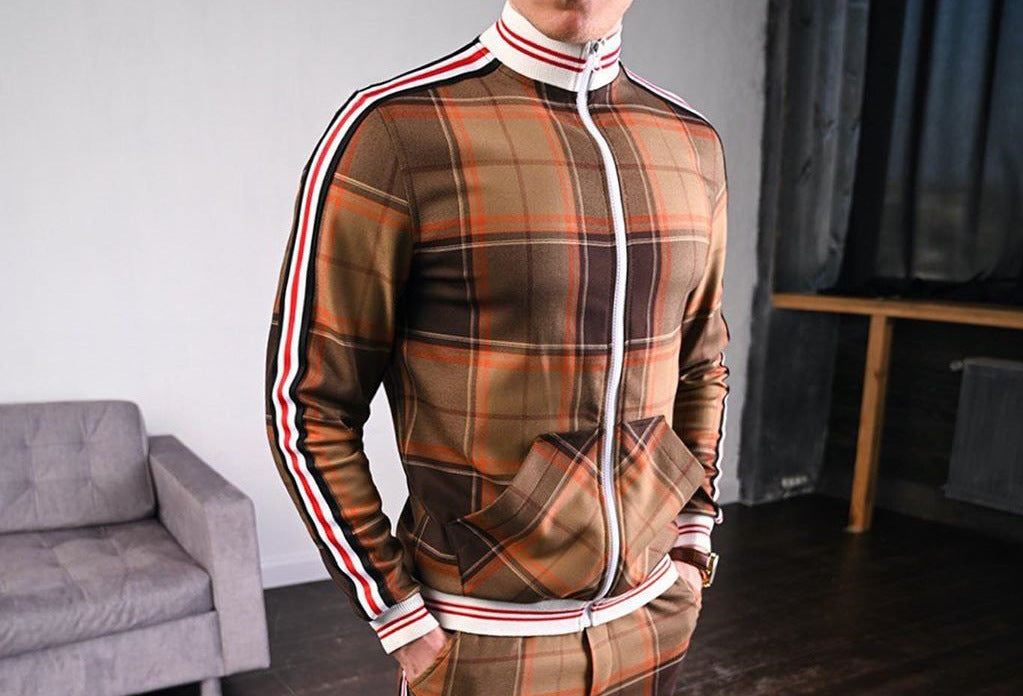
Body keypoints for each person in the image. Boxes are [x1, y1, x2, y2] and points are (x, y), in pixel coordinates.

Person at [264, 0, 730, 693]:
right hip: (481, 640)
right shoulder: (395, 132)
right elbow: (307, 404)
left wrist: (692, 536)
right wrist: (394, 610)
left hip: (653, 620)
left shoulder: (691, 142)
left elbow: (701, 362)